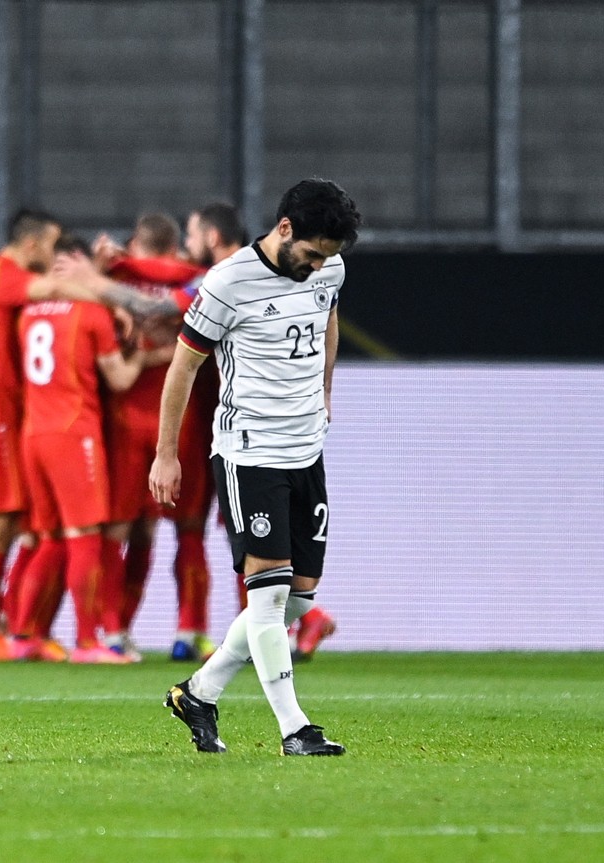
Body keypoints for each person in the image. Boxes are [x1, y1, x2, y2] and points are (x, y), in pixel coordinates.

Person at [153, 177, 361, 756]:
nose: (319, 267)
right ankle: (295, 729)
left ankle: (200, 691)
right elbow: (182, 369)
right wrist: (166, 453)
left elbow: (328, 322)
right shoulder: (228, 282)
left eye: (330, 258)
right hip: (250, 455)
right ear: (285, 229)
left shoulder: (330, 273)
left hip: (306, 450)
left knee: (298, 597)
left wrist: (324, 395)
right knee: (267, 597)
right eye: (313, 254)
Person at [0, 209, 134, 663]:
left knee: (11, 531)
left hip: (4, 419)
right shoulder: (10, 277)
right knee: (1, 528)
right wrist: (111, 298)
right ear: (31, 245)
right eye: (49, 246)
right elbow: (58, 287)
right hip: (3, 417)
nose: (52, 256)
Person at [185, 202, 338, 662]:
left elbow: (170, 296)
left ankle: (296, 623)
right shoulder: (238, 277)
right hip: (230, 434)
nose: (184, 245)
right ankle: (279, 638)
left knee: (254, 550)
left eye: (190, 234)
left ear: (211, 236)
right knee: (253, 548)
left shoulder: (222, 279)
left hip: (254, 435)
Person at [6, 235, 145, 663]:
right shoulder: (92, 313)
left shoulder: (28, 313)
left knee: (48, 538)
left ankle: (23, 634)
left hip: (34, 434)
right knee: (85, 536)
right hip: (74, 433)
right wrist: (141, 348)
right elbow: (120, 379)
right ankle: (88, 642)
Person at [95, 213, 205, 662]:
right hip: (183, 419)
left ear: (137, 244)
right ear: (177, 245)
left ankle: (112, 631)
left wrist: (109, 265)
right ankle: (188, 630)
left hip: (127, 415)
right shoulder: (198, 277)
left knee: (120, 529)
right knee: (186, 528)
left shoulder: (117, 276)